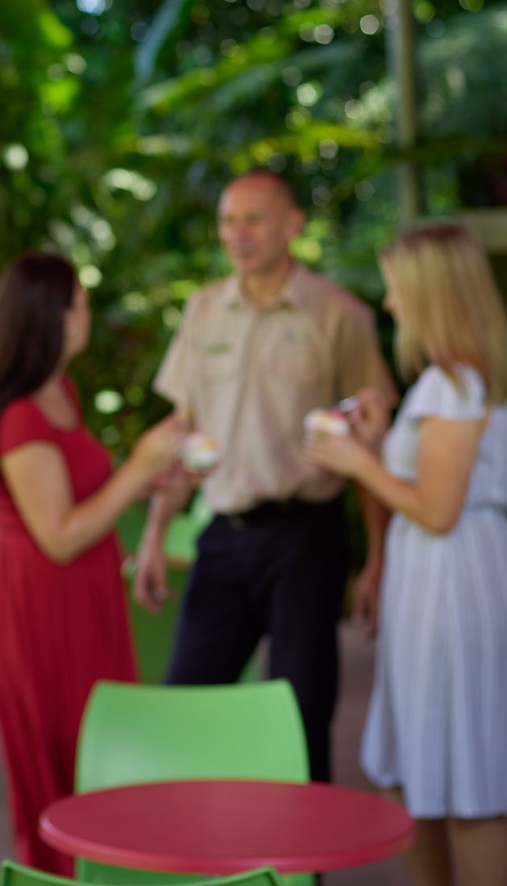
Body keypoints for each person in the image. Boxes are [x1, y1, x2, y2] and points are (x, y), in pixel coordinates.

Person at [132, 168, 396, 783]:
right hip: (222, 534)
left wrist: (377, 556)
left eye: (253, 219)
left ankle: (306, 881)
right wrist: (153, 534)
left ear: (292, 226)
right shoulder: (203, 312)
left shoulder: (340, 315)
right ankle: (202, 867)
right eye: (228, 220)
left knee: (302, 719)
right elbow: (187, 438)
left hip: (306, 537)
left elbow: (368, 448)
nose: (237, 235)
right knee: (188, 707)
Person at [304, 224, 507, 886]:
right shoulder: (446, 383)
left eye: (401, 288)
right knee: (421, 770)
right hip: (437, 585)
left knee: (469, 783)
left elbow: (436, 510)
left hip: (459, 587)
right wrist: (375, 444)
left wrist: (355, 460)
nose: (392, 301)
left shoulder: (456, 383)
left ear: (433, 294)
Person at [0, 253, 187, 875]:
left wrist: (157, 483)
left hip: (86, 603)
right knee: (61, 771)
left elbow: (87, 501)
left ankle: (108, 883)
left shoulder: (59, 393)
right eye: (82, 303)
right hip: (43, 614)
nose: (88, 314)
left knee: (104, 761)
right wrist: (138, 468)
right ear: (57, 318)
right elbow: (59, 535)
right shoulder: (19, 416)